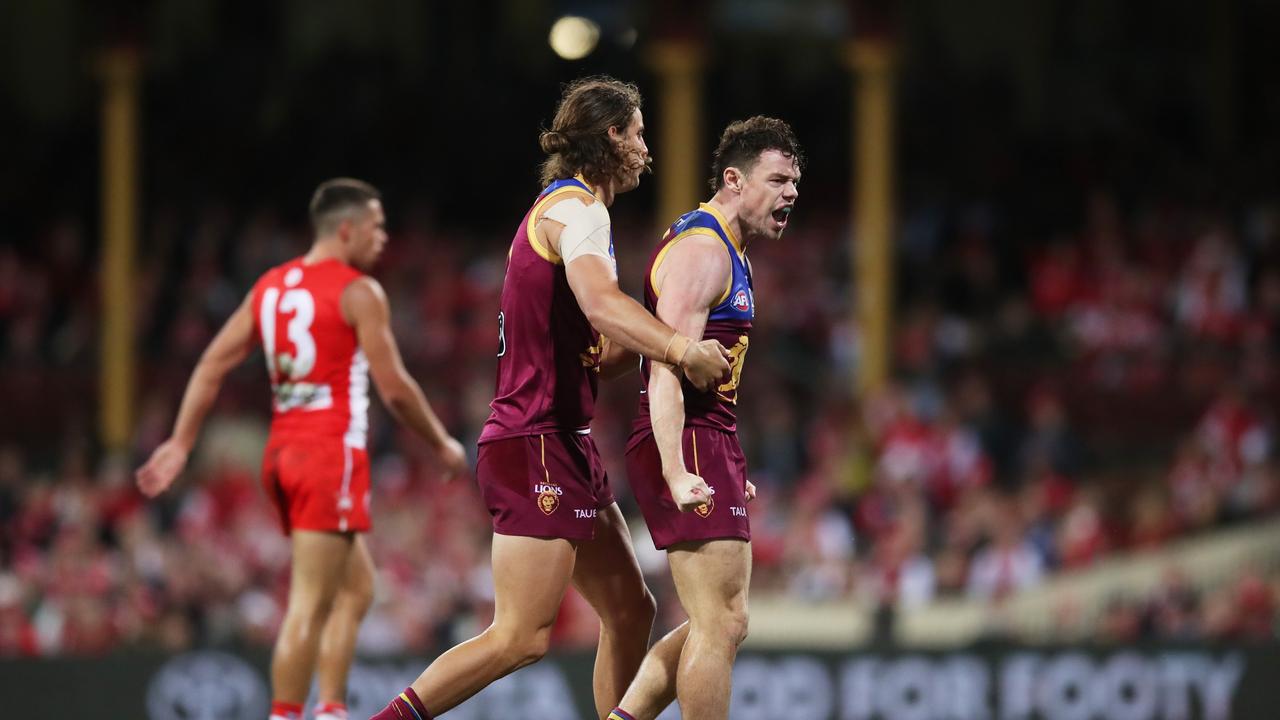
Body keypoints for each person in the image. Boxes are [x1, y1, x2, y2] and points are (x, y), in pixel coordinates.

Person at [370, 76, 731, 720]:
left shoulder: (574, 214)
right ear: (612, 136)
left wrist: (660, 324)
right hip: (535, 440)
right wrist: (679, 347)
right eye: (640, 133)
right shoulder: (578, 212)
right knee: (521, 636)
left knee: (630, 608)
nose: (648, 147)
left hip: (562, 441)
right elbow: (600, 305)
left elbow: (601, 353)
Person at [136, 178, 468, 720]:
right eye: (376, 226)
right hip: (326, 453)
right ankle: (289, 714)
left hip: (284, 453)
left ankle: (330, 709)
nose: (384, 237)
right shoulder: (358, 292)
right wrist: (441, 442)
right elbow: (395, 388)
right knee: (310, 601)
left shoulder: (271, 287)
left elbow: (212, 362)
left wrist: (181, 440)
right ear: (346, 230)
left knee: (358, 588)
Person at [608, 116, 803, 720]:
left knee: (720, 621)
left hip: (707, 437)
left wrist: (721, 459)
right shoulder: (703, 252)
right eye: (778, 180)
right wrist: (675, 468)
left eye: (796, 181)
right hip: (686, 439)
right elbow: (666, 365)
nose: (791, 193)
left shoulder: (728, 249)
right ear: (734, 180)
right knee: (719, 623)